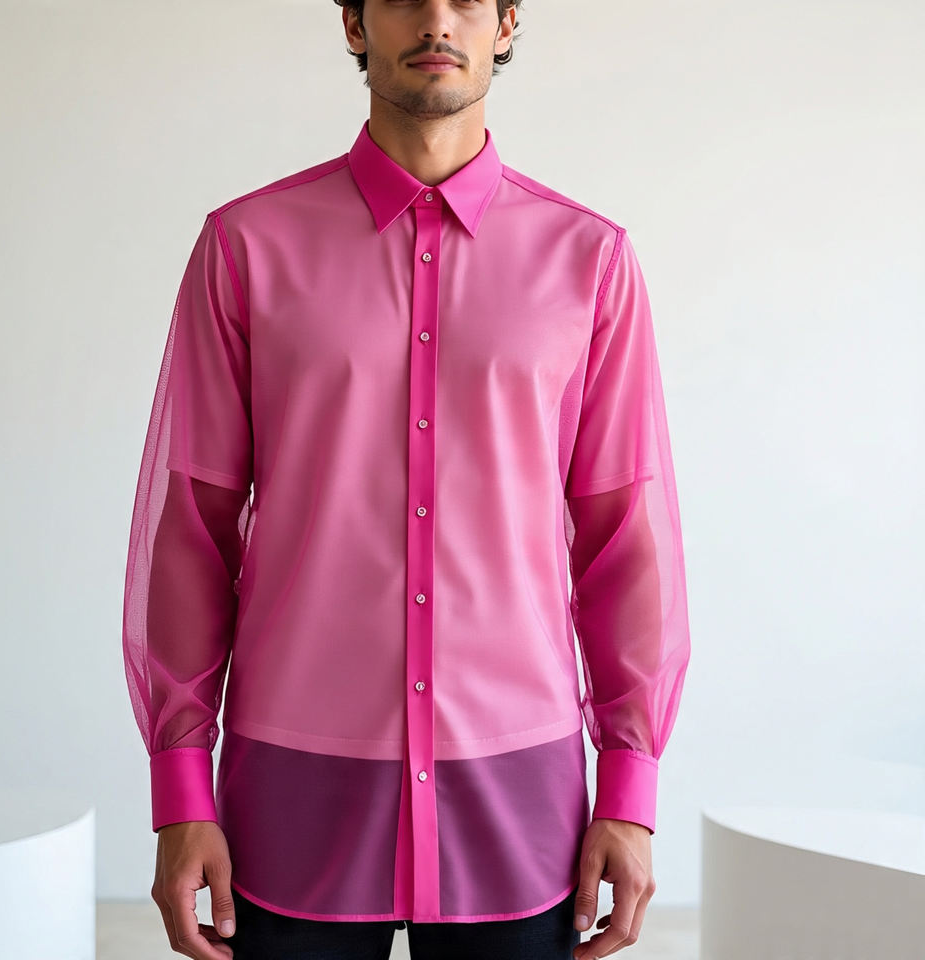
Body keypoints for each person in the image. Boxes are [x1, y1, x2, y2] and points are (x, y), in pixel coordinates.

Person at [122, 2, 691, 958]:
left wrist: (630, 791)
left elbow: (625, 541)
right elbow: (191, 531)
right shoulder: (247, 246)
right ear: (354, 22)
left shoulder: (590, 261)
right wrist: (181, 788)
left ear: (505, 23)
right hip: (293, 797)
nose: (436, 19)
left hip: (519, 802)